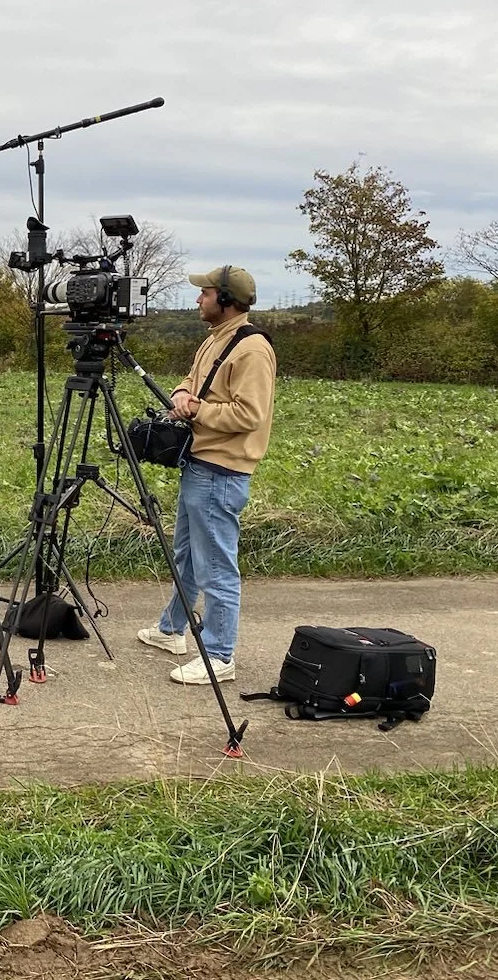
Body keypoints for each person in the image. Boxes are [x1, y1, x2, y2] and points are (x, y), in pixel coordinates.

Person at [137, 266, 277, 685]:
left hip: (222, 469)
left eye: (206, 293)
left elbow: (250, 415)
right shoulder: (217, 338)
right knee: (186, 554)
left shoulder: (252, 350)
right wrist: (182, 393)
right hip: (199, 463)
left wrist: (197, 410)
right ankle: (171, 630)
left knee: (215, 565)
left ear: (227, 300)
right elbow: (193, 381)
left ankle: (219, 654)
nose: (199, 299)